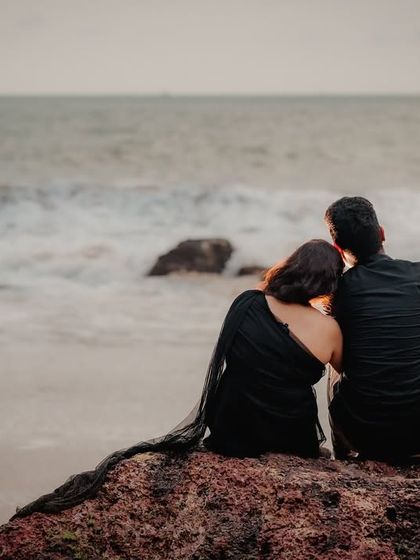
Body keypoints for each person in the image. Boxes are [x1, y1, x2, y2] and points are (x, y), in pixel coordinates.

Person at [10, 239, 343, 520]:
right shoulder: (329, 329)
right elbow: (345, 371)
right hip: (290, 435)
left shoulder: (248, 302)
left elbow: (233, 363)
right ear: (329, 283)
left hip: (233, 428)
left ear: (291, 267)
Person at [325, 196, 420, 462]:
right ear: (381, 234)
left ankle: (342, 457)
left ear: (338, 247)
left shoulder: (341, 289)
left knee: (335, 349)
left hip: (365, 434)